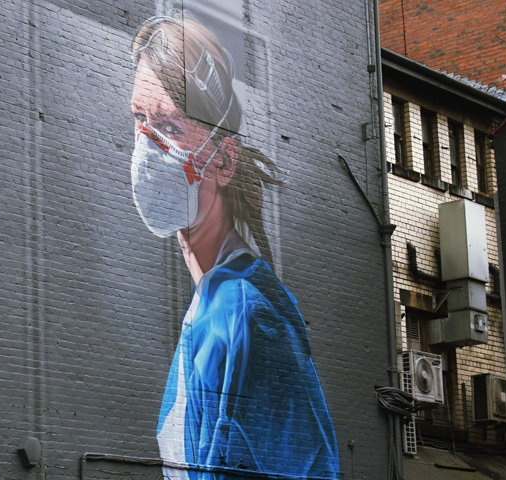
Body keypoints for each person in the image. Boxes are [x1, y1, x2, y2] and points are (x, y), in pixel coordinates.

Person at [129, 13, 340, 480]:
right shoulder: (219, 300)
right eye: (139, 119)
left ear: (223, 161)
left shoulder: (242, 315)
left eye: (169, 127)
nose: (146, 147)